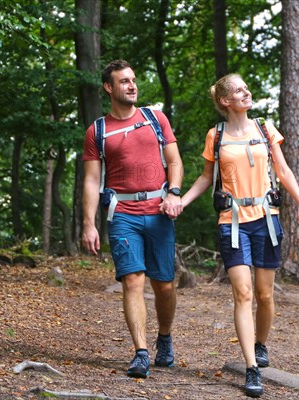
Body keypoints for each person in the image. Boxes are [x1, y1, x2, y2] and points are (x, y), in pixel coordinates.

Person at [168, 74, 299, 397]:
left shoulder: (265, 129)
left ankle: (261, 344)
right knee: (243, 293)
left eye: (246, 87)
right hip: (231, 222)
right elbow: (207, 177)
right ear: (224, 101)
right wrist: (182, 201)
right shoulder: (215, 136)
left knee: (265, 295)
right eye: (238, 90)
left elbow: (284, 170)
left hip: (266, 219)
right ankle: (251, 368)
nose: (246, 92)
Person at [82, 59, 183, 379]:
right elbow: (90, 180)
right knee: (133, 281)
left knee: (164, 285)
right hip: (122, 214)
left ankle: (164, 339)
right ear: (109, 88)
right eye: (124, 81)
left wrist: (175, 193)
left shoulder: (155, 118)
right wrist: (88, 223)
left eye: (134, 80)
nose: (132, 85)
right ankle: (140, 352)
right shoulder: (97, 131)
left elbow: (175, 161)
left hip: (159, 210)